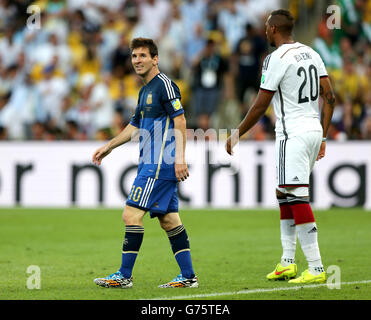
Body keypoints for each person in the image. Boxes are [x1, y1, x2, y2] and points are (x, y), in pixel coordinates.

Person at [225, 10, 335, 284]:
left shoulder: (275, 59)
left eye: (266, 27)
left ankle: (317, 267)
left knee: (296, 194)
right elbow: (330, 96)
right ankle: (288, 262)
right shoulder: (311, 53)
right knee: (284, 191)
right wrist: (323, 136)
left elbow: (261, 104)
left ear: (274, 29)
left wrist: (237, 133)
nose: (264, 31)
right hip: (312, 131)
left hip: (292, 134)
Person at [92, 38, 198, 289]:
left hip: (159, 163)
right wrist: (108, 146)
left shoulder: (165, 86)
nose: (137, 61)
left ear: (155, 59)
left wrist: (180, 159)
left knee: (131, 214)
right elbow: (135, 126)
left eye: (142, 56)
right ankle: (188, 276)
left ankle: (124, 276)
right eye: (134, 56)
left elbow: (180, 121)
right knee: (169, 220)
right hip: (151, 163)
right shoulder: (144, 91)